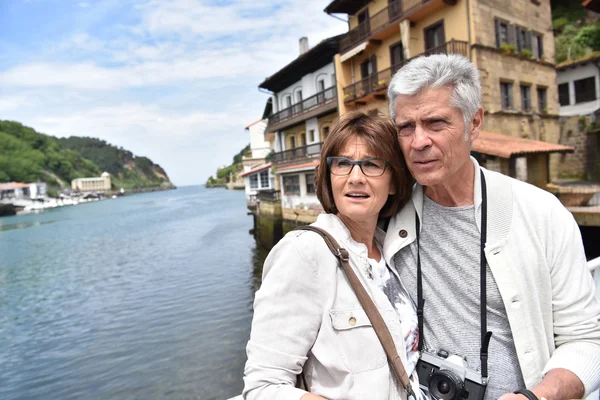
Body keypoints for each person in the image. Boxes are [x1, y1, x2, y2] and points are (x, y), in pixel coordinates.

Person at [384, 53, 600, 400]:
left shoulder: (542, 213)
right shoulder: (387, 216)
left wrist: (536, 396)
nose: (418, 141)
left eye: (436, 123)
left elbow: (586, 340)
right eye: (405, 127)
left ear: (475, 122)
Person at [243, 111, 418, 399]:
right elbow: (263, 387)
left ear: (395, 182)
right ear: (329, 175)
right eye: (343, 164)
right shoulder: (304, 253)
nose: (356, 178)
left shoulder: (393, 251)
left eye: (372, 164)